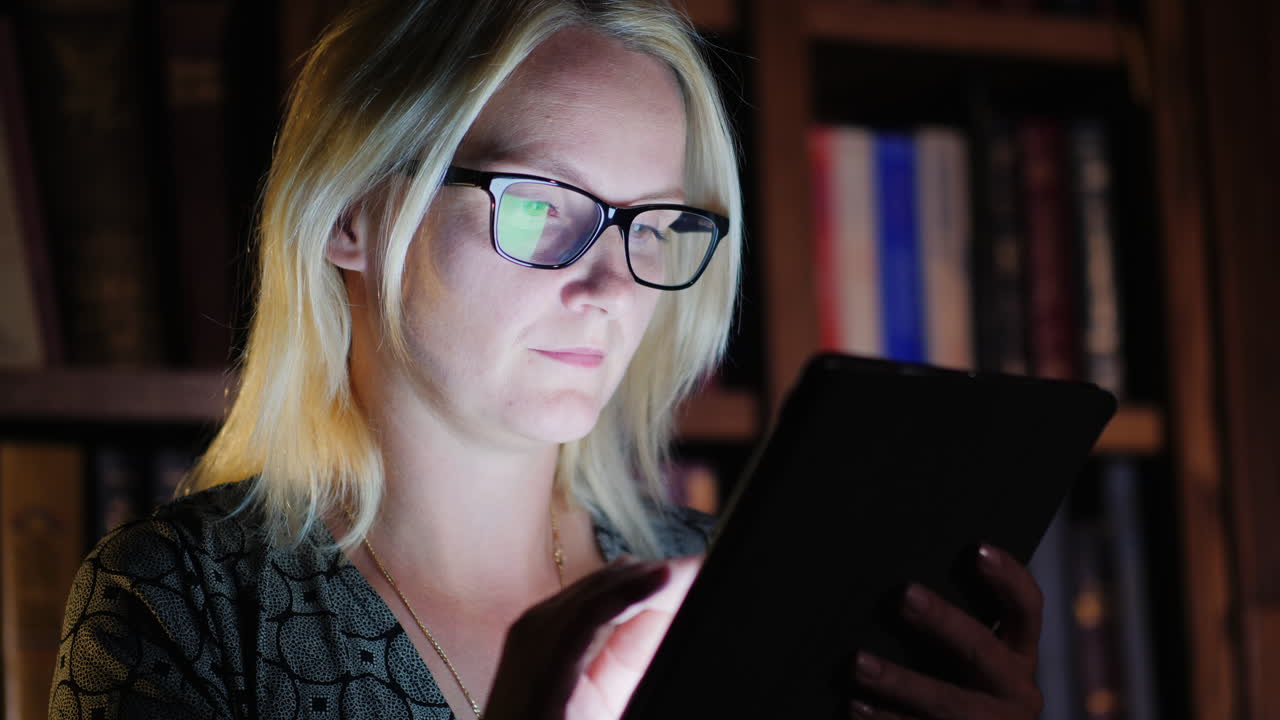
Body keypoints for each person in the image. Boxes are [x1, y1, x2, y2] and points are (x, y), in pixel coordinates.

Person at [49, 1, 1045, 719]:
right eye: (537, 204)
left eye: (653, 224)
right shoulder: (180, 603)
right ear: (351, 212)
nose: (611, 286)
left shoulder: (739, 583)